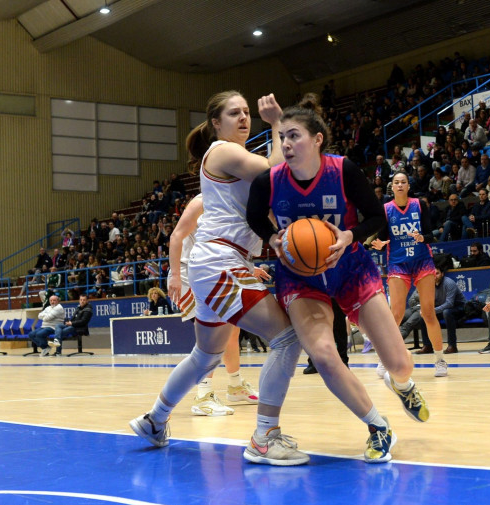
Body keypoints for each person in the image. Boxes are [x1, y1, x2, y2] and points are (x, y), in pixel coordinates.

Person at [246, 94, 430, 463]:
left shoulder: (342, 170)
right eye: (282, 137)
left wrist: (350, 235)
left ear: (317, 140)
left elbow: (378, 218)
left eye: (294, 136)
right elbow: (253, 217)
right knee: (325, 354)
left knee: (400, 362)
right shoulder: (269, 180)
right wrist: (270, 238)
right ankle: (379, 428)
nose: (286, 144)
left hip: (350, 270)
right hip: (300, 279)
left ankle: (402, 383)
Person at [130, 91, 310, 466]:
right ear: (216, 123)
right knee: (288, 338)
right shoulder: (223, 151)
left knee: (204, 356)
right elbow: (276, 173)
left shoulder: (235, 157)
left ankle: (155, 420)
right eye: (235, 113)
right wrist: (277, 122)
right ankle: (265, 438)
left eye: (247, 113)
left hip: (220, 262)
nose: (244, 118)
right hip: (219, 261)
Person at [165, 193, 262, 417]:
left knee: (232, 330)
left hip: (213, 270)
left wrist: (249, 269)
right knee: (212, 334)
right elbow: (176, 236)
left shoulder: (232, 201)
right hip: (189, 271)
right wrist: (176, 275)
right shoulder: (202, 200)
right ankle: (203, 395)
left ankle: (236, 385)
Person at [371, 171, 448, 377]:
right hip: (398, 263)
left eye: (403, 182)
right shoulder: (386, 209)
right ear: (392, 187)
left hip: (422, 260)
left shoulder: (420, 205)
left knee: (428, 312)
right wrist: (378, 245)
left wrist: (422, 237)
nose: (400, 185)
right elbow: (381, 239)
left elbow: (431, 234)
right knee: (394, 315)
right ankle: (384, 359)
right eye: (396, 182)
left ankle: (440, 360)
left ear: (408, 185)